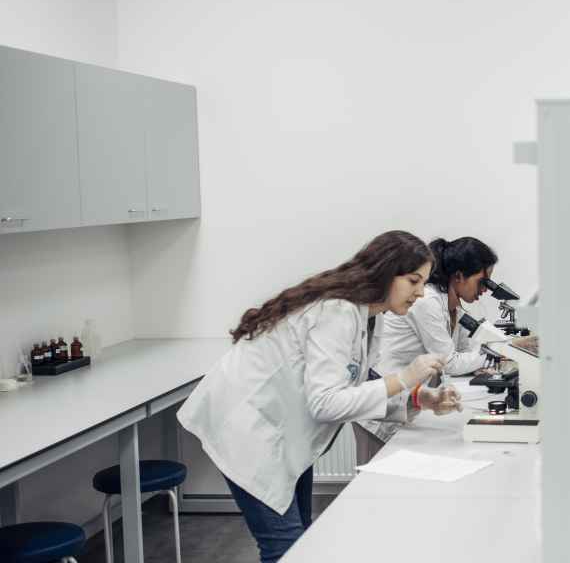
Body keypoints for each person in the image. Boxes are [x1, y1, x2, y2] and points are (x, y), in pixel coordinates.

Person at [177, 231, 462, 563]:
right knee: (284, 548)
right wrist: (404, 378)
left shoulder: (370, 316)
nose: (421, 292)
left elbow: (356, 380)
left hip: (281, 433)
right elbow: (327, 403)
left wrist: (418, 398)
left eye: (424, 282)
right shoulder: (336, 312)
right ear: (386, 271)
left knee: (300, 543)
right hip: (249, 429)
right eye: (414, 280)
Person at [357, 236, 499, 450]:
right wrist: (494, 352)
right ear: (459, 276)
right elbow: (450, 362)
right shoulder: (428, 301)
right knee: (378, 468)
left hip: (408, 400)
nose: (485, 290)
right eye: (482, 282)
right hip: (379, 407)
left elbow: (463, 351)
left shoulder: (453, 306)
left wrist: (482, 359)